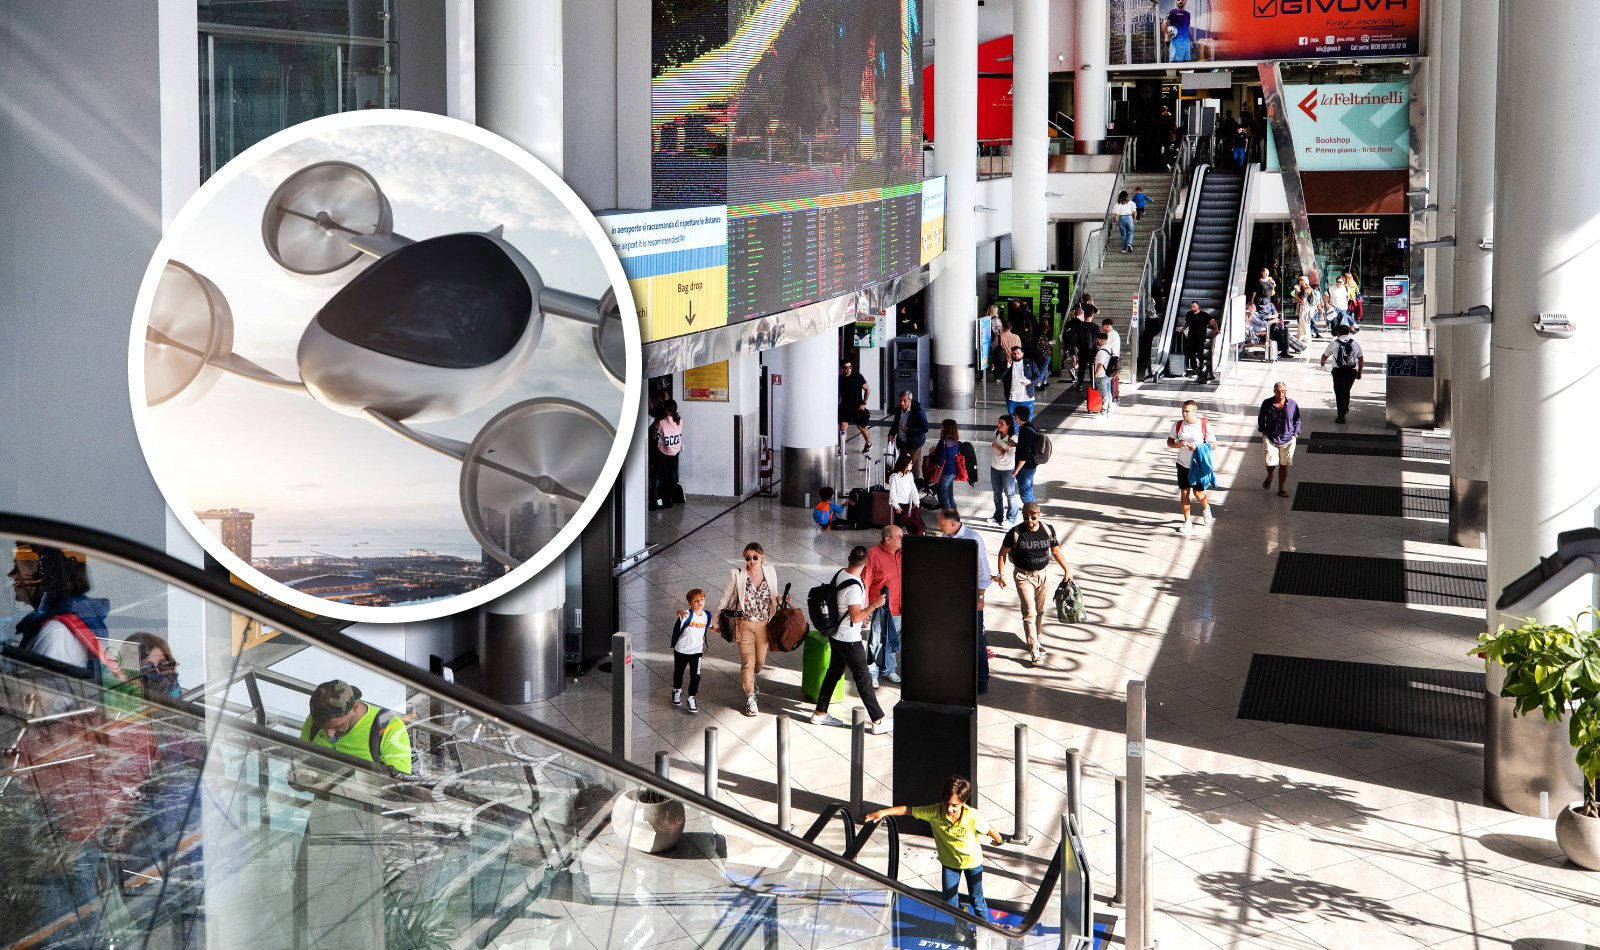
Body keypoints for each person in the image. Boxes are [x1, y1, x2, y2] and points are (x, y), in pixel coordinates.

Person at [865, 776, 1001, 920]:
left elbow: (988, 829)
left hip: (972, 862)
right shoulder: (934, 812)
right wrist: (882, 812)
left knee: (977, 900)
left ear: (963, 802)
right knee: (949, 901)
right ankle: (961, 924)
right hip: (950, 863)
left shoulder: (972, 816)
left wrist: (999, 841)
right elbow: (908, 810)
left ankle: (984, 930)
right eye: (946, 803)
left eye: (954, 805)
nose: (949, 809)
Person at [810, 546, 891, 734]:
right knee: (863, 679)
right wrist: (874, 605)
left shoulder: (841, 574)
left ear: (848, 558)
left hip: (836, 635)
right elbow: (855, 617)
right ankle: (878, 720)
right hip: (849, 640)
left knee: (833, 673)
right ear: (866, 563)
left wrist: (862, 615)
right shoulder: (854, 586)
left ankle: (820, 713)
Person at [9, 543, 114, 678]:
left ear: (45, 577)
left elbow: (41, 696)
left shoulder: (56, 633)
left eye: (17, 567)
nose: (11, 575)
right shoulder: (61, 623)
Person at [995, 503, 1075, 665]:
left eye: (1033, 517)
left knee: (1039, 610)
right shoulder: (1015, 533)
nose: (1029, 520)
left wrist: (1066, 569)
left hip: (1044, 574)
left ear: (1039, 515)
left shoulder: (1047, 529)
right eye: (1026, 517)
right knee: (1029, 612)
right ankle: (1033, 646)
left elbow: (1056, 551)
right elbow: (1002, 554)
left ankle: (1036, 639)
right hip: (1023, 576)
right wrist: (1001, 574)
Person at [716, 542, 784, 716]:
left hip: (764, 624)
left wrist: (782, 600)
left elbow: (774, 596)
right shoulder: (737, 574)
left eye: (755, 557)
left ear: (762, 557)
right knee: (747, 661)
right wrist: (716, 623)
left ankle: (754, 677)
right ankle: (750, 697)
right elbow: (726, 599)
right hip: (744, 624)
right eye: (748, 557)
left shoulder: (770, 571)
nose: (752, 561)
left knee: (759, 663)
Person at [301, 680, 413, 774]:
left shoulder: (389, 726)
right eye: (324, 728)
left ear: (355, 707)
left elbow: (398, 787)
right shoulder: (313, 722)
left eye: (337, 726)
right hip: (322, 799)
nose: (330, 735)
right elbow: (297, 768)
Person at [938, 509, 995, 693]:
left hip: (970, 594)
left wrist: (980, 596)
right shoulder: (945, 536)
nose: (939, 527)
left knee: (976, 637)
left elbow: (983, 571)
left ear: (953, 524)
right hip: (951, 594)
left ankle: (982, 680)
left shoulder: (973, 539)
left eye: (942, 524)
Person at [1166, 400, 1217, 534]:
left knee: (1198, 494)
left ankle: (1206, 508)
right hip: (1183, 464)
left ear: (1194, 411)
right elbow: (1170, 442)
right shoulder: (1178, 425)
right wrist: (1178, 444)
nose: (1184, 413)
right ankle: (1187, 521)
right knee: (1184, 492)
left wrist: (1197, 447)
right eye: (1183, 410)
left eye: (1187, 411)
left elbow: (1214, 445)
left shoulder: (1204, 425)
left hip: (1197, 465)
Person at [864, 526, 904, 685]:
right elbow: (865, 583)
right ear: (887, 539)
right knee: (876, 641)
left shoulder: (903, 554)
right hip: (879, 610)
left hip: (898, 607)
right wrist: (866, 609)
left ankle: (890, 669)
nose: (902, 539)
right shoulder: (872, 555)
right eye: (899, 537)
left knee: (892, 640)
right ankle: (873, 674)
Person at [1257, 382, 1302, 498]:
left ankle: (1281, 488)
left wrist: (1295, 434)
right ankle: (1270, 475)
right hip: (1271, 438)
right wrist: (1264, 433)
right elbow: (1261, 418)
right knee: (1271, 462)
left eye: (1283, 391)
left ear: (1286, 391)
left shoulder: (1292, 404)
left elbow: (1297, 419)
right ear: (1274, 392)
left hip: (1288, 439)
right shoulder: (1267, 404)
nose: (1280, 393)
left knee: (1284, 465)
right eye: (1278, 391)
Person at [671, 589, 711, 713]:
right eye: (696, 600)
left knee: (696, 676)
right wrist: (679, 612)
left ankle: (691, 698)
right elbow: (679, 614)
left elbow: (705, 627)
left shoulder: (706, 615)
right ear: (690, 603)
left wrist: (715, 630)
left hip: (697, 652)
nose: (700, 602)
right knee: (679, 673)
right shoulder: (686, 615)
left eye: (702, 599)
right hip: (682, 650)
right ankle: (677, 690)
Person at [1320, 323, 1364, 424]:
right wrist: (1359, 372)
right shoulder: (1355, 343)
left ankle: (1341, 416)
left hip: (1338, 371)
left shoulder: (1334, 343)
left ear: (1338, 332)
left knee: (1339, 392)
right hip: (1352, 371)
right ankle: (1345, 408)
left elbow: (1325, 356)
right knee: (1346, 390)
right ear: (1349, 332)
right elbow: (1361, 359)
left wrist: (1322, 362)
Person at [650, 399, 683, 509]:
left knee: (656, 474)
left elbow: (655, 436)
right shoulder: (679, 420)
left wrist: (654, 427)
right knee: (672, 475)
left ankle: (654, 502)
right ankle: (669, 500)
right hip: (675, 451)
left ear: (666, 409)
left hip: (663, 452)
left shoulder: (662, 422)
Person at [1001, 344, 1047, 419]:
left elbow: (1038, 376)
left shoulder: (1030, 362)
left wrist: (1030, 382)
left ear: (1022, 354)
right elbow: (999, 376)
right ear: (1011, 354)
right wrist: (1006, 367)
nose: (1016, 355)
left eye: (1018, 353)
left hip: (1027, 397)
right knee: (1013, 419)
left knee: (1027, 419)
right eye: (1014, 354)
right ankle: (1015, 431)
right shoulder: (1008, 364)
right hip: (1012, 397)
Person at [990, 414, 1020, 527]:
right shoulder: (997, 432)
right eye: (998, 423)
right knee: (996, 493)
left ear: (1008, 426)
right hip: (995, 467)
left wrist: (998, 448)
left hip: (1007, 469)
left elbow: (1010, 457)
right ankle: (998, 515)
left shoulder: (1013, 439)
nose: (998, 425)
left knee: (1010, 494)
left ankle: (1012, 518)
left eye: (1001, 424)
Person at [837, 359, 872, 454]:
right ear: (842, 369)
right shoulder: (840, 378)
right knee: (843, 427)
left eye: (850, 367)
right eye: (846, 368)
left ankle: (868, 443)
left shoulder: (857, 377)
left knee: (861, 427)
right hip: (845, 406)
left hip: (858, 406)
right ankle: (842, 448)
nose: (848, 369)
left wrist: (864, 403)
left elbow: (867, 389)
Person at [891, 389, 930, 472]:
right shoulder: (898, 409)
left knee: (912, 467)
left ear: (910, 400)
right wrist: (891, 433)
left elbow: (925, 427)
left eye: (904, 401)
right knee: (902, 466)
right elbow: (895, 423)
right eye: (900, 400)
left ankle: (914, 483)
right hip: (902, 442)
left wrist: (909, 430)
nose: (902, 403)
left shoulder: (918, 410)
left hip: (914, 444)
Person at [930, 418, 964, 510]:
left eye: (942, 426)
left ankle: (948, 519)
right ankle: (955, 516)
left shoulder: (943, 442)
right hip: (952, 471)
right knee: (950, 496)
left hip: (944, 472)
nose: (941, 428)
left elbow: (940, 460)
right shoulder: (956, 442)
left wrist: (932, 453)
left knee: (944, 499)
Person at [1012, 405, 1042, 505]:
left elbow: (1024, 455)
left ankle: (1031, 514)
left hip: (1026, 467)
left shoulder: (1025, 431)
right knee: (1028, 492)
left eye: (1014, 415)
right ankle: (1033, 511)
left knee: (1026, 495)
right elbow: (1027, 446)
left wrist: (1016, 470)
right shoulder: (1030, 426)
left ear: (1017, 416)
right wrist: (1016, 445)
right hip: (1031, 465)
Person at [1061, 307, 1093, 390]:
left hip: (1069, 343)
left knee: (1073, 358)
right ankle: (1074, 368)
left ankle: (1074, 375)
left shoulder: (1069, 322)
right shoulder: (1081, 324)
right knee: (1079, 359)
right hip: (1077, 344)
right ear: (1081, 314)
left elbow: (1065, 333)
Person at [887, 454, 921, 530]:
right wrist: (896, 506)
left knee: (906, 522)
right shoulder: (894, 476)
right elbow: (893, 492)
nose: (912, 465)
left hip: (908, 502)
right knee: (899, 523)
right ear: (905, 465)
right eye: (910, 463)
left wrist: (916, 502)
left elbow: (913, 489)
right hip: (899, 503)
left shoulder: (910, 475)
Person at [1183, 301, 1216, 381]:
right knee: (1191, 354)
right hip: (1191, 337)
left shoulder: (1204, 315)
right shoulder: (1189, 314)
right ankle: (1194, 369)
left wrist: (1217, 329)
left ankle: (1201, 367)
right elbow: (1187, 323)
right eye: (1191, 306)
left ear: (1198, 306)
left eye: (1194, 306)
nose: (1192, 308)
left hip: (1200, 338)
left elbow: (1213, 322)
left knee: (1200, 353)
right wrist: (1183, 329)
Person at [1293, 276, 1322, 341]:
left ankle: (1307, 337)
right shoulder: (1307, 288)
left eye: (1301, 280)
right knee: (1301, 323)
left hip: (1304, 309)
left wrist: (1297, 295)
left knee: (1304, 323)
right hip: (1305, 308)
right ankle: (1299, 336)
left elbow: (1303, 301)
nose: (1300, 282)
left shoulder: (1304, 289)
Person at [1091, 332, 1114, 416]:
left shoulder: (1102, 351)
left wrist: (1096, 374)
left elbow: (1100, 364)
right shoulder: (1109, 348)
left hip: (1102, 375)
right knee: (1108, 392)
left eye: (1097, 339)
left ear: (1100, 340)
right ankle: (1109, 407)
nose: (1097, 341)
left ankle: (1103, 410)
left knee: (1104, 394)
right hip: (1108, 374)